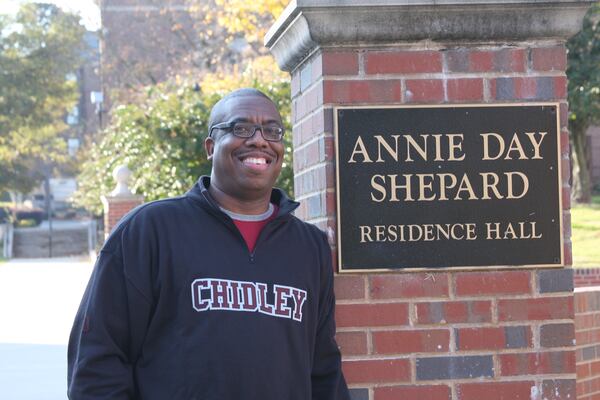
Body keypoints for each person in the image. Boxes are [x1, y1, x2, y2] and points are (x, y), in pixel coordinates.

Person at [67, 88, 350, 400]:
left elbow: (323, 370)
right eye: (241, 128)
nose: (259, 140)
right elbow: (96, 362)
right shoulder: (150, 231)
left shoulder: (309, 247)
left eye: (272, 130)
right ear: (210, 147)